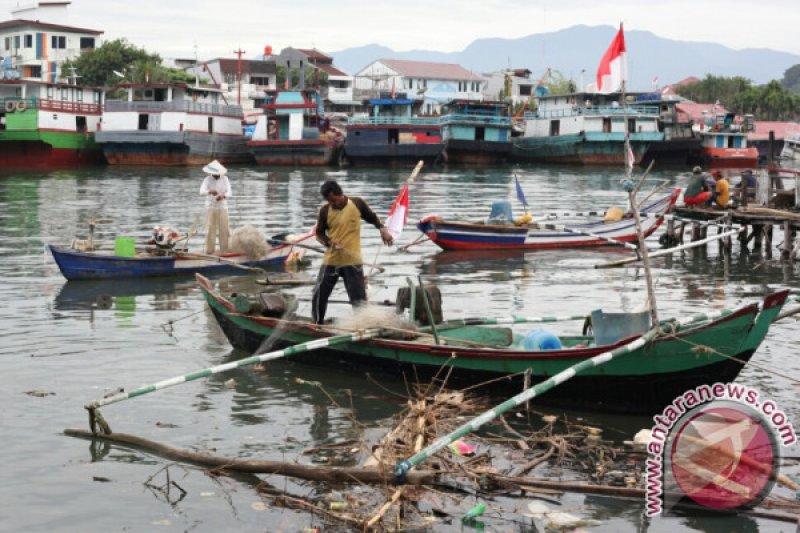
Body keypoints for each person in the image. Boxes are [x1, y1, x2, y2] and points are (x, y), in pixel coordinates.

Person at [311, 180, 394, 324]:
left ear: (340, 194)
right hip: (331, 260)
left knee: (358, 301)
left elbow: (372, 217)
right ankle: (317, 324)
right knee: (319, 295)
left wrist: (382, 228)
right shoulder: (324, 210)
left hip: (353, 261)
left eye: (333, 200)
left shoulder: (357, 203)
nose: (331, 203)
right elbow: (319, 234)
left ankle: (362, 326)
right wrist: (329, 242)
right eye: (329, 201)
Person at [199, 160, 231, 254]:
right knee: (210, 230)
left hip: (222, 207)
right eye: (214, 173)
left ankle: (224, 251)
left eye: (217, 173)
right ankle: (209, 251)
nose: (215, 174)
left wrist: (223, 196)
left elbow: (230, 192)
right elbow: (201, 191)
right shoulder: (207, 179)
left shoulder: (225, 179)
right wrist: (210, 191)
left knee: (224, 229)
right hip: (211, 207)